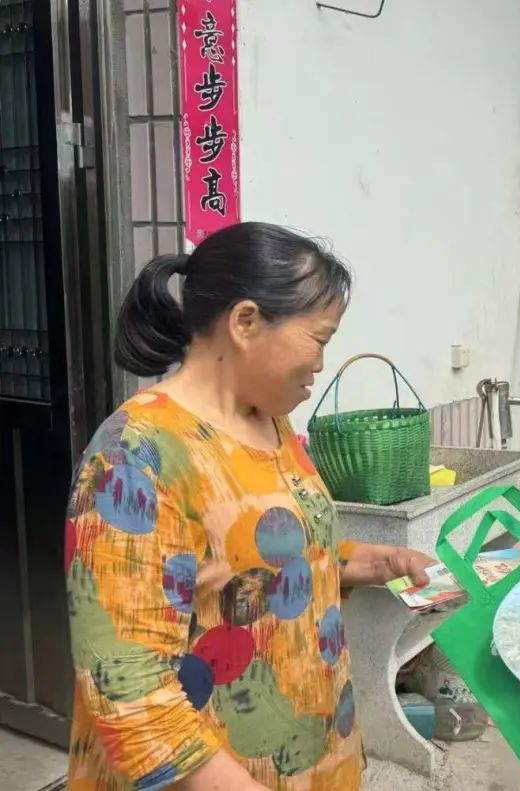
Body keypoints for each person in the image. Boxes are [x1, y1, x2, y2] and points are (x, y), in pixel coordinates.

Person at [65, 222, 433, 790]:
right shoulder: (135, 456)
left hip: (313, 760)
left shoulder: (272, 424)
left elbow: (251, 559)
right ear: (245, 322)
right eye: (319, 339)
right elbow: (129, 691)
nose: (321, 363)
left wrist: (366, 561)